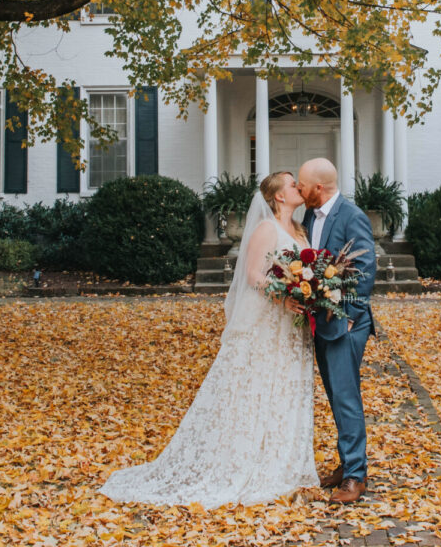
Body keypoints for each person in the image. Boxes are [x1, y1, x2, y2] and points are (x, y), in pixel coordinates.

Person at [99, 171, 317, 507]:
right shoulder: (266, 229)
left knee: (283, 386)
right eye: (291, 184)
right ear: (278, 196)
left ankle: (279, 460)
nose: (298, 187)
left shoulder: (300, 231)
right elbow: (253, 275)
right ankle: (241, 461)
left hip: (291, 325)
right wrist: (282, 296)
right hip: (267, 321)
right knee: (253, 389)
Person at [296, 157, 377, 504]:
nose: (299, 191)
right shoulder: (310, 216)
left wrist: (351, 316)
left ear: (319, 188)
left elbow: (364, 268)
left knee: (346, 398)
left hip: (345, 324)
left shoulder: (352, 215)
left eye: (302, 185)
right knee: (335, 397)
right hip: (321, 324)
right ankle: (347, 465)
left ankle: (356, 477)